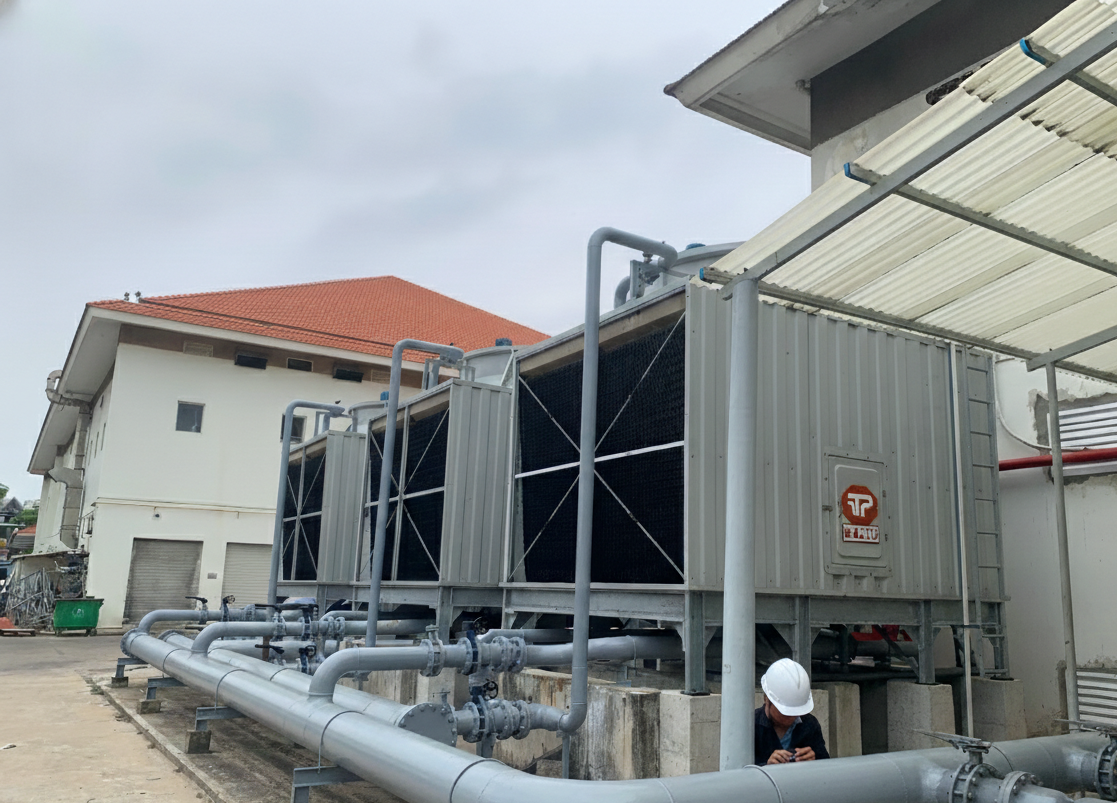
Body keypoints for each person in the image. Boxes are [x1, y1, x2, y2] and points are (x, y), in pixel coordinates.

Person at [754, 658, 830, 766]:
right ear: (766, 699)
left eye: (795, 712)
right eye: (784, 712)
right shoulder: (750, 727)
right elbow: (738, 770)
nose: (790, 717)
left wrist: (815, 761)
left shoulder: (810, 724)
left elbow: (826, 767)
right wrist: (765, 766)